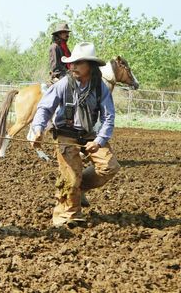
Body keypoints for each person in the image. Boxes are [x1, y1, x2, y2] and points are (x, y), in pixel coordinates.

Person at [29, 42, 120, 228]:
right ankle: (66, 215)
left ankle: (78, 189)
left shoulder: (100, 88)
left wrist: (99, 140)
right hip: (65, 134)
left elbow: (108, 117)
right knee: (71, 177)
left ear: (90, 66)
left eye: (78, 63)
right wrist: (38, 129)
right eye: (72, 63)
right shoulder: (63, 84)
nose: (73, 66)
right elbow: (45, 108)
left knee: (109, 167)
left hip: (89, 135)